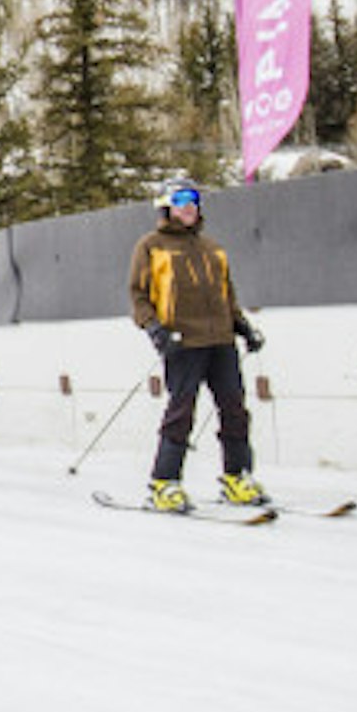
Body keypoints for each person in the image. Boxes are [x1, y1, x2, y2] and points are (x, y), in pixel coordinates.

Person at [128, 178, 268, 512]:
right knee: (181, 411)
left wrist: (243, 327)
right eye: (181, 200)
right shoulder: (151, 246)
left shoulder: (212, 248)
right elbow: (138, 294)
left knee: (234, 409)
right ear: (166, 206)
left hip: (220, 340)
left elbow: (226, 295)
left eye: (193, 199)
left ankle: (237, 476)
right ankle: (164, 482)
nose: (189, 206)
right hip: (183, 342)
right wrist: (155, 329)